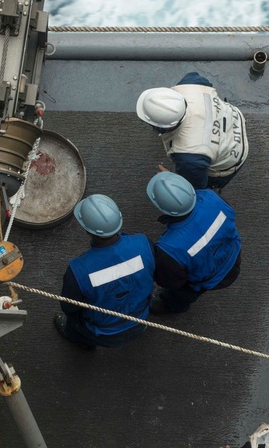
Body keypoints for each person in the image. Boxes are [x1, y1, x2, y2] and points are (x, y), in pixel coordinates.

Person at [54, 195, 155, 350]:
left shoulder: (78, 270)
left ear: (87, 230)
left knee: (74, 326)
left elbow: (69, 308)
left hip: (102, 331)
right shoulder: (143, 243)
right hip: (141, 319)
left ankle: (83, 342)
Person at [136, 72, 249, 191]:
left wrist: (174, 180)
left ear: (165, 127)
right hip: (234, 119)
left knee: (202, 189)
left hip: (231, 158)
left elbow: (194, 187)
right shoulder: (191, 83)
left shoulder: (189, 156)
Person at [147, 171, 241, 314]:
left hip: (204, 280)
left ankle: (170, 306)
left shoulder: (170, 248)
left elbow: (171, 282)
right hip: (232, 258)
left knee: (179, 297)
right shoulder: (212, 197)